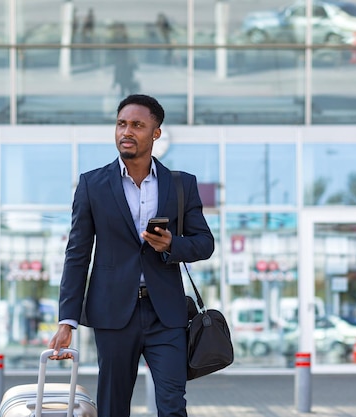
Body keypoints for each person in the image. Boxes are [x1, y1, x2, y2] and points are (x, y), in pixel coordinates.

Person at [49, 94, 215, 417]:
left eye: (137, 125)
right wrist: (67, 319)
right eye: (121, 123)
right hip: (112, 314)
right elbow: (77, 255)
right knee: (113, 407)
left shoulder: (182, 186)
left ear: (156, 133)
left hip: (165, 315)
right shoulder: (91, 186)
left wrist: (171, 245)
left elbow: (205, 243)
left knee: (172, 406)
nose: (126, 131)